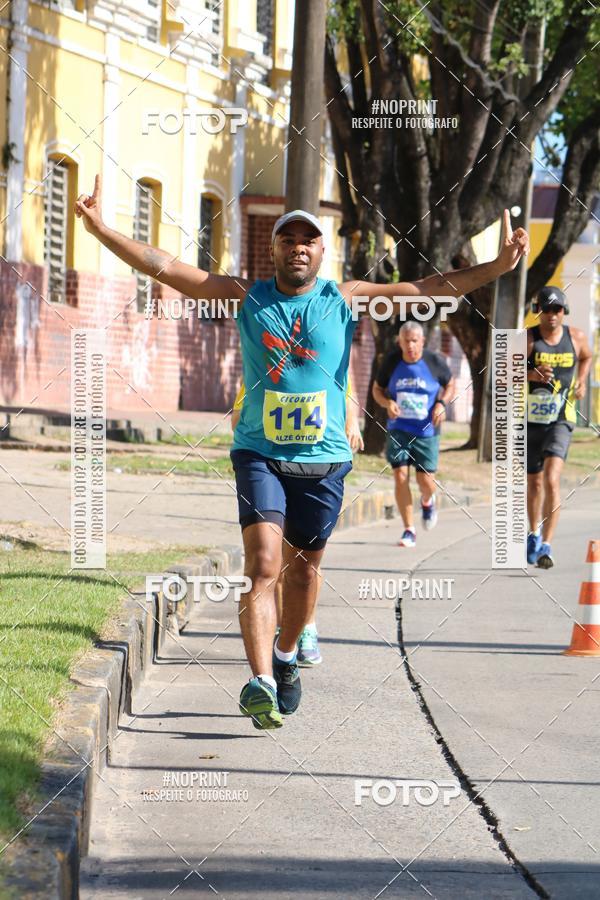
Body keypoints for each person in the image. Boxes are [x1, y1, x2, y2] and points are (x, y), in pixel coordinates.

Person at [76, 176, 529, 729]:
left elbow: (429, 286)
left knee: (303, 573)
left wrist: (498, 268)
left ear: (322, 250)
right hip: (258, 453)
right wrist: (100, 229)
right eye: (288, 239)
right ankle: (261, 679)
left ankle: (287, 655)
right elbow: (168, 268)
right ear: (273, 248)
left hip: (324, 459)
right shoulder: (247, 295)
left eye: (308, 240)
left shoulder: (346, 297)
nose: (298, 246)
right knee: (263, 565)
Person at [231, 379, 364, 666]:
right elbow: (237, 416)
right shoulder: (267, 360)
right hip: (271, 468)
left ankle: (307, 628)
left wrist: (352, 423)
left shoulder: (323, 359)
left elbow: (347, 393)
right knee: (271, 563)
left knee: (304, 565)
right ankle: (279, 631)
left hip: (315, 466)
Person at [372, 322, 455, 547]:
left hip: (427, 430)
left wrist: (441, 404)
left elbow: (450, 384)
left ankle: (427, 502)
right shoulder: (391, 362)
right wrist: (387, 402)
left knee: (426, 481)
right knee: (400, 476)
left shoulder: (434, 362)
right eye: (405, 340)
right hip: (399, 428)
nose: (409, 345)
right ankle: (409, 529)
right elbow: (377, 390)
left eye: (414, 341)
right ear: (399, 341)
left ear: (422, 342)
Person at [526, 286, 592, 569]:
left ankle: (547, 546)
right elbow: (503, 371)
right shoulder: (527, 340)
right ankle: (534, 532)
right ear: (537, 310)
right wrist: (532, 373)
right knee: (535, 482)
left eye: (557, 310)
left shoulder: (575, 338)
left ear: (564, 312)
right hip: (530, 419)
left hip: (562, 418)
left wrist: (582, 380)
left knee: (552, 478)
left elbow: (588, 356)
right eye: (546, 309)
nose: (552, 315)